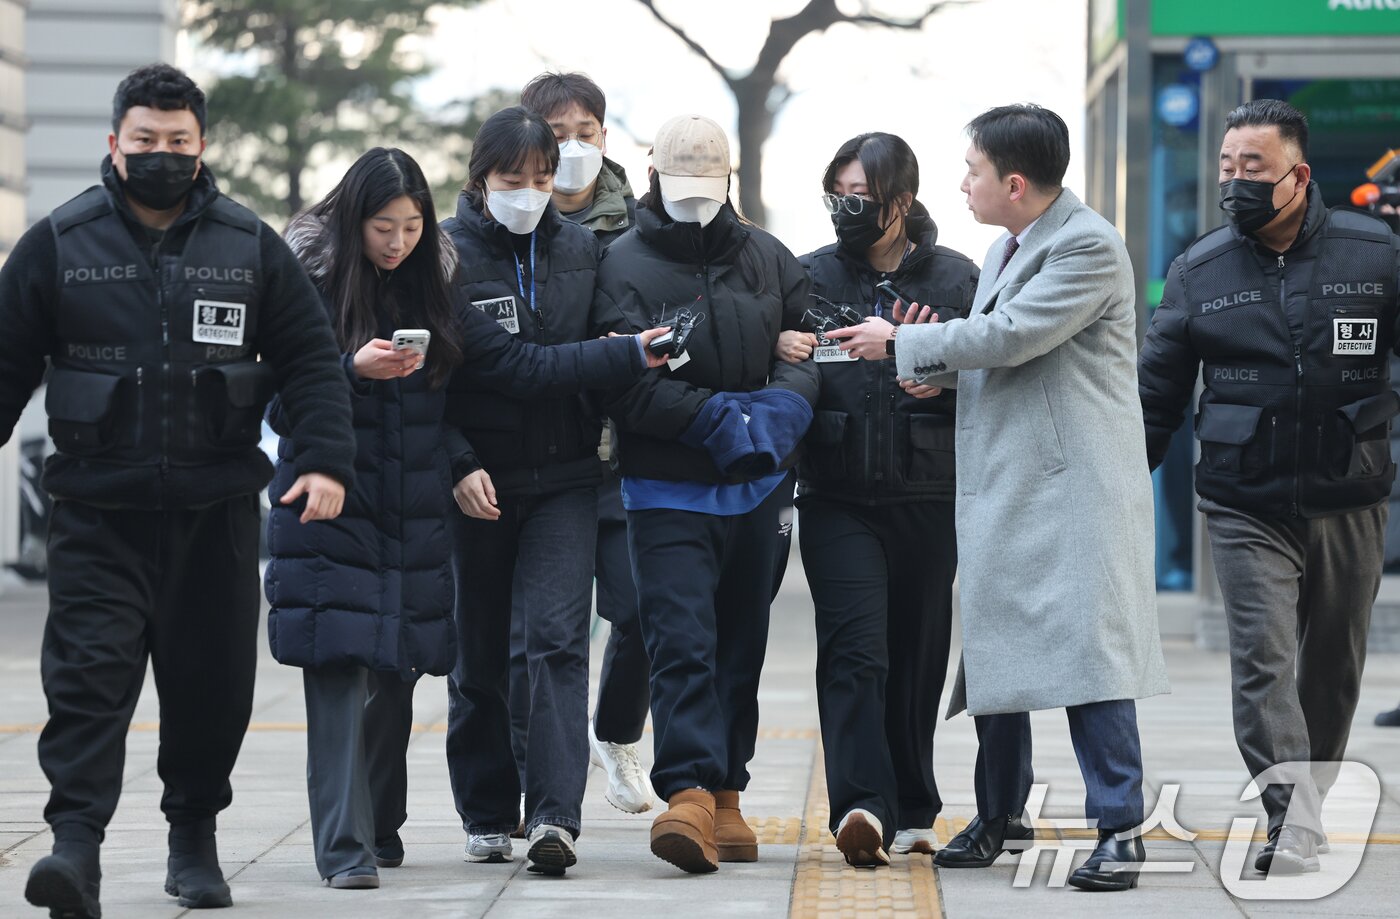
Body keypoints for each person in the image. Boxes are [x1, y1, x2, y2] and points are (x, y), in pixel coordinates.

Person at [0, 64, 356, 918]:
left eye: (177, 140)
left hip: (215, 512)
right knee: (86, 682)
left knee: (211, 689)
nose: (160, 153)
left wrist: (323, 460)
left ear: (201, 146)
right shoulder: (59, 242)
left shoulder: (249, 244)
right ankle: (74, 848)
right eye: (145, 139)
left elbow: (311, 359)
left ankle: (193, 839)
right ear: (114, 142)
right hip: (97, 513)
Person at [265, 147, 664, 890]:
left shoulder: (435, 285)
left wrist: (628, 355)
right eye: (382, 227)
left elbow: (509, 370)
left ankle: (387, 828)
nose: (397, 242)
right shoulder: (309, 282)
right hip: (334, 499)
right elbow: (280, 401)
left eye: (411, 226)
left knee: (399, 669)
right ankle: (347, 846)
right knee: (343, 668)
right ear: (353, 221)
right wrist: (351, 370)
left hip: (414, 506)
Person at [827, 103, 1169, 892]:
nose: (963, 184)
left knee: (1092, 659)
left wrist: (900, 341)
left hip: (1072, 492)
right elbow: (1003, 355)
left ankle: (1120, 826)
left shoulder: (1086, 245)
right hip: (1011, 487)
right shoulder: (1007, 245)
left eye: (973, 170)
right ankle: (1001, 813)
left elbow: (1014, 335)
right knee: (995, 655)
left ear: (1014, 183)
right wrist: (935, 373)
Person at [1139, 99, 1400, 872]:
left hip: (1349, 490)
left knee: (1333, 667)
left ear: (1298, 174)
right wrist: (1119, 482)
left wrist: (1379, 404)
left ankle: (1306, 799)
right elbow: (1155, 394)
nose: (1235, 181)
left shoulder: (1375, 252)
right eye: (1227, 166)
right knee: (1262, 657)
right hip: (1242, 497)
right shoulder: (1200, 270)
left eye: (1253, 167)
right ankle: (1294, 818)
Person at [591, 114, 820, 874]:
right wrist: (718, 417)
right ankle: (686, 789)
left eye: (708, 185)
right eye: (681, 184)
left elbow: (808, 345)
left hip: (758, 485)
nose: (694, 199)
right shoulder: (619, 264)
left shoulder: (768, 257)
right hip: (666, 487)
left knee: (740, 643)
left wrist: (778, 410)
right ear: (653, 178)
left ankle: (727, 793)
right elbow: (622, 380)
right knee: (680, 641)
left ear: (729, 182)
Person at [441, 105, 646, 877]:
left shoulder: (582, 250)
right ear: (480, 179)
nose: (528, 192)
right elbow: (440, 380)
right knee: (480, 654)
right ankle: (488, 809)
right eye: (511, 178)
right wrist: (457, 461)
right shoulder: (445, 254)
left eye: (540, 177)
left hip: (565, 477)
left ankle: (556, 814)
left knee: (558, 644)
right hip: (477, 480)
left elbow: (606, 344)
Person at [776, 132, 977, 867]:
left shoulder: (957, 279)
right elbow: (779, 365)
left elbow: (995, 375)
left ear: (902, 200)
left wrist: (942, 380)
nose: (846, 209)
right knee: (854, 648)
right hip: (836, 493)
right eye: (837, 195)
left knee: (917, 652)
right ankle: (860, 804)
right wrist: (781, 349)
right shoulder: (806, 276)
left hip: (930, 489)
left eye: (860, 196)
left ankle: (914, 804)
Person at [518, 71, 655, 815]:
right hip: (543, 453)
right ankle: (534, 777)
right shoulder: (507, 223)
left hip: (627, 452)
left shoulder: (643, 223)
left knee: (637, 609)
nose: (573, 148)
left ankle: (617, 733)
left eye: (586, 133)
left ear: (606, 136)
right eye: (557, 134)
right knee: (542, 634)